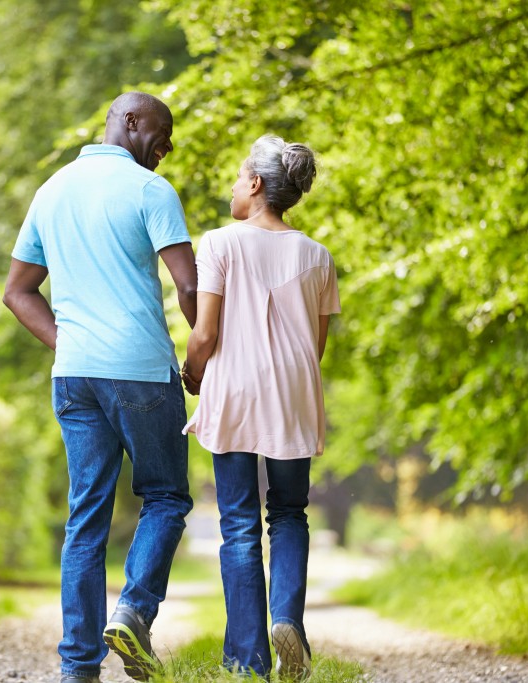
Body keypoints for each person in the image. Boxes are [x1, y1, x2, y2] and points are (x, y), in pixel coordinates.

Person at [3, 91, 197, 683]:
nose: (164, 151)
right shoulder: (149, 191)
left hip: (75, 376)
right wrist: (207, 355)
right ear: (130, 122)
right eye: (160, 136)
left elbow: (18, 291)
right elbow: (190, 288)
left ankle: (77, 668)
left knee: (85, 519)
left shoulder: (52, 189)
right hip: (140, 371)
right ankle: (134, 614)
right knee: (165, 496)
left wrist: (72, 343)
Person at [181, 135, 341, 679]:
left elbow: (204, 334)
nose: (232, 185)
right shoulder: (318, 256)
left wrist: (192, 373)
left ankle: (248, 661)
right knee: (290, 513)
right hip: (294, 392)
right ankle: (287, 620)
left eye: (237, 175)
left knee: (240, 523)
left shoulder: (219, 243)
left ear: (255, 184)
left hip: (234, 390)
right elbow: (314, 347)